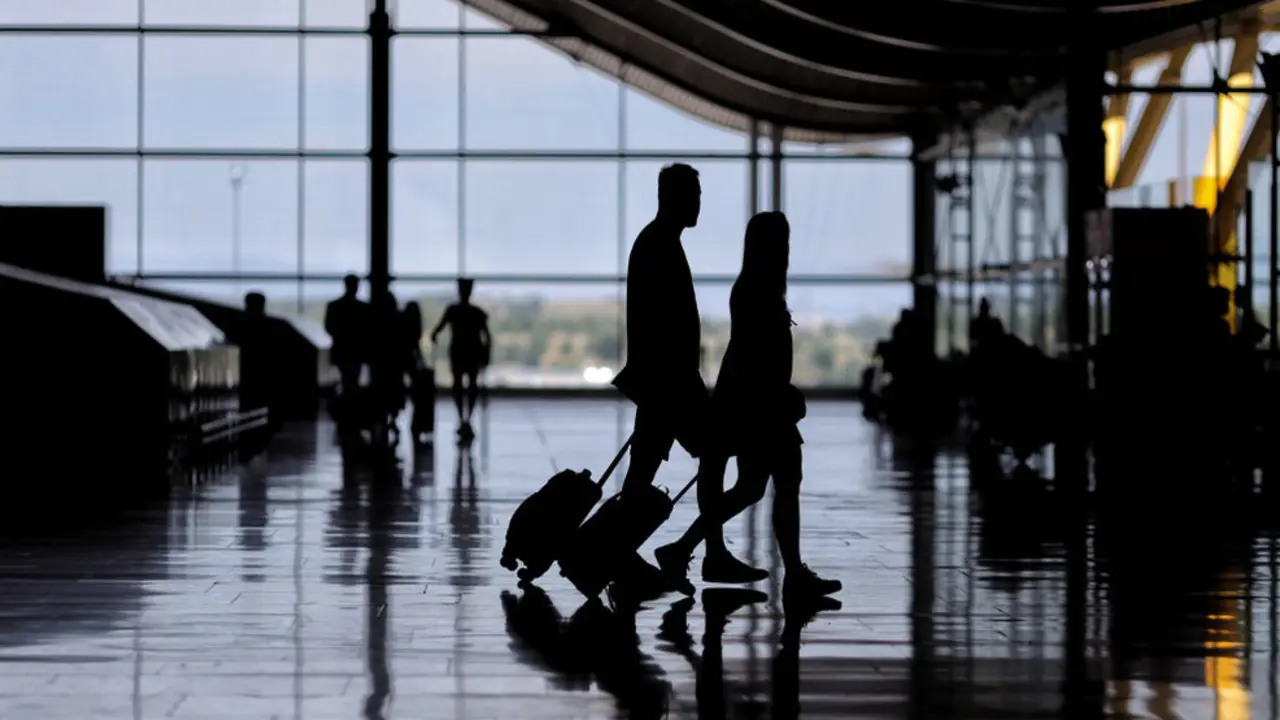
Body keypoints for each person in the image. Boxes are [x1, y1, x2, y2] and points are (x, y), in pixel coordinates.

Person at [654, 212, 841, 600]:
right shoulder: (761, 291)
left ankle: (685, 550)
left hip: (759, 406)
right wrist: (782, 395)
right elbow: (757, 357)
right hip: (766, 409)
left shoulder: (752, 288)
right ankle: (793, 574)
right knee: (781, 486)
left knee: (754, 488)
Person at [430, 278, 491, 438]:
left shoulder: (454, 311)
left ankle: (463, 419)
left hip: (460, 352)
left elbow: (436, 331)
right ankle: (466, 419)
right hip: (470, 353)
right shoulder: (476, 313)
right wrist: (486, 354)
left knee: (461, 386)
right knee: (469, 386)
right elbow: (487, 337)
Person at [324, 274, 369, 399]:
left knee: (346, 378)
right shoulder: (363, 308)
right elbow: (367, 329)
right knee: (353, 378)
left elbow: (329, 327)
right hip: (357, 349)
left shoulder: (334, 306)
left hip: (342, 348)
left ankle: (347, 403)